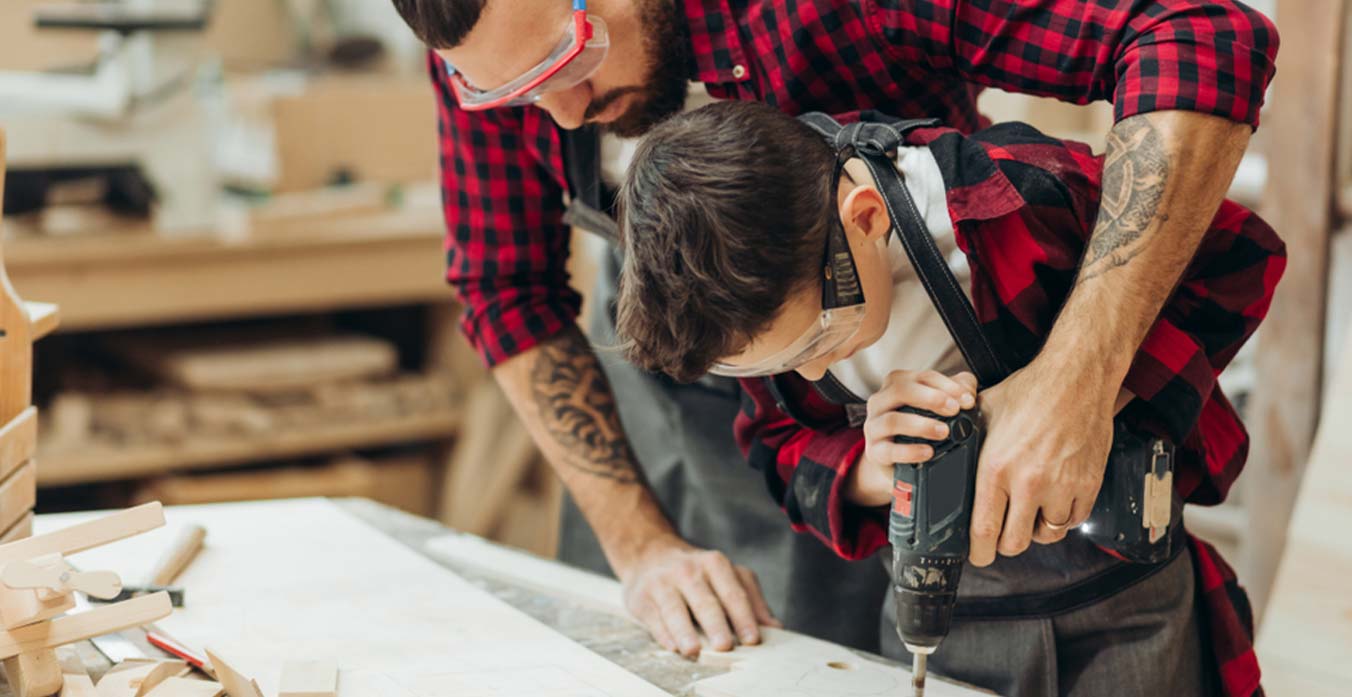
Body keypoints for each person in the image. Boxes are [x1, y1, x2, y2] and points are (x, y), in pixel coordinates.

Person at [387, 0, 1280, 689]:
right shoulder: (496, 47)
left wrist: (1074, 380)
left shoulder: (995, 198)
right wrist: (642, 548)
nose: (562, 113)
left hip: (938, 368)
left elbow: (1197, 35)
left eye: (566, 57)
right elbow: (508, 290)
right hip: (724, 408)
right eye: (508, 93)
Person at [614, 101, 1285, 697]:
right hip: (942, 620)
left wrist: (1075, 393)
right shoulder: (757, 295)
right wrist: (874, 467)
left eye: (820, 337)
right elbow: (779, 449)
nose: (813, 368)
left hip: (1125, 608)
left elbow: (1238, 261)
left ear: (867, 217)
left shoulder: (1018, 197)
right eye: (784, 363)